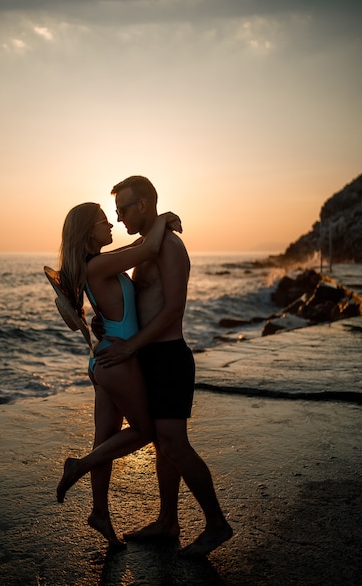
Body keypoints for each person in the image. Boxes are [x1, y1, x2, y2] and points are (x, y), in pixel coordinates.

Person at [96, 176, 233, 556]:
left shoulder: (170, 246)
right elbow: (128, 295)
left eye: (123, 208)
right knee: (161, 444)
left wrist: (130, 348)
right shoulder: (145, 245)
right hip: (149, 357)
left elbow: (173, 309)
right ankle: (168, 521)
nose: (118, 216)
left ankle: (217, 524)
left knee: (174, 442)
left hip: (170, 357)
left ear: (143, 204)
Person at [55, 201, 181, 547]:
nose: (111, 224)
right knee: (145, 431)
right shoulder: (97, 265)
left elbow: (137, 247)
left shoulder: (94, 264)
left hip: (105, 359)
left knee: (107, 439)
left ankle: (100, 515)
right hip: (119, 361)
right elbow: (150, 246)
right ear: (87, 232)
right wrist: (165, 219)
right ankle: (78, 466)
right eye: (102, 221)